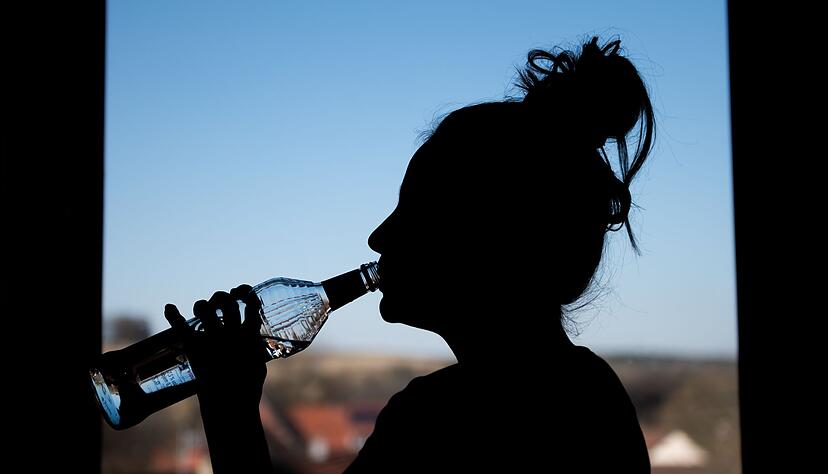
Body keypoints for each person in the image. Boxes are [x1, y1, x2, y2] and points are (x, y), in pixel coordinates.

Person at [165, 36, 656, 473]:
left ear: (485, 241)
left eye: (413, 213)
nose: (378, 237)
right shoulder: (590, 394)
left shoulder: (440, 420)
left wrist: (229, 413)